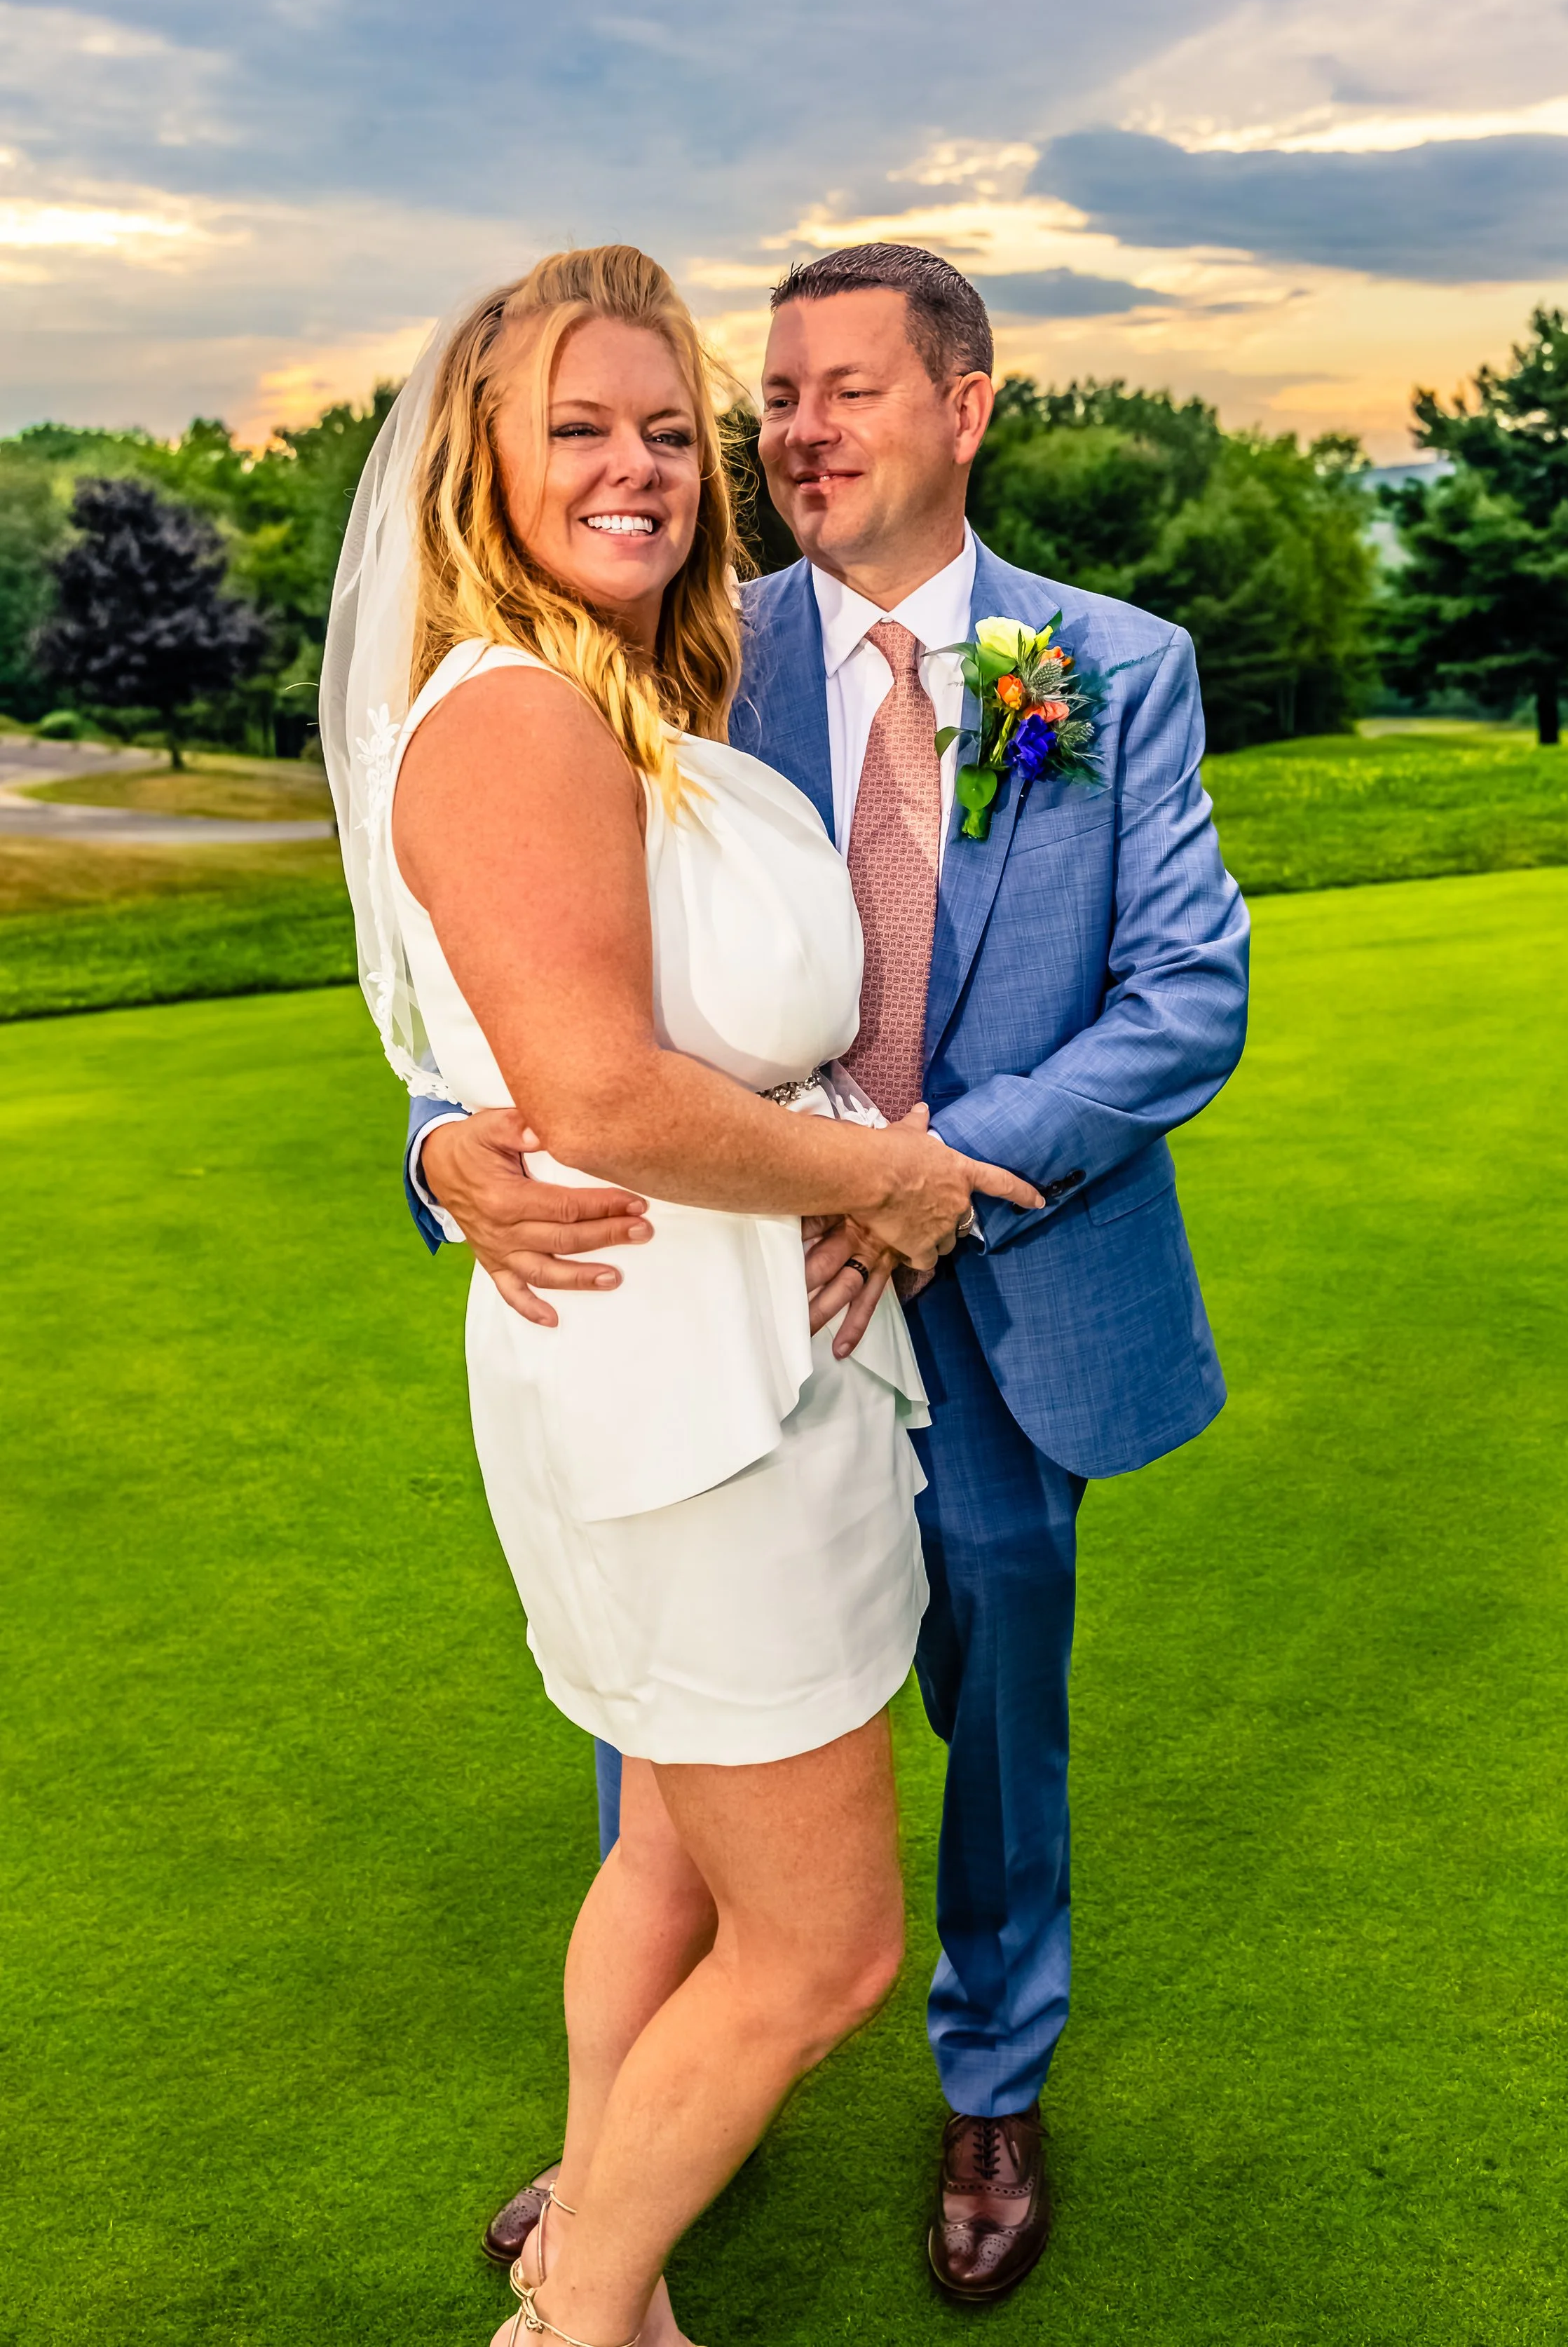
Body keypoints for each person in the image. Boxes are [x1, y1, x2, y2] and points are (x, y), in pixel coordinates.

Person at [414, 242, 1251, 2304]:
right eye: (771, 390)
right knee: (681, 1761)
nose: (787, 428)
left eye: (843, 387)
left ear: (967, 407)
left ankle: (990, 2074)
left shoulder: (1108, 664)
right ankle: (648, 2137)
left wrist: (932, 1180)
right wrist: (435, 1148)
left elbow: (1183, 995)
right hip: (720, 1326)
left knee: (1001, 1716)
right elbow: (516, 968)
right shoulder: (680, 630)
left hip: (1001, 1292)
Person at [321, 241, 1040, 2347]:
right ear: (483, 456)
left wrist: (494, 1126)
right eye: (579, 425)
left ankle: (606, 2299)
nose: (638, 464)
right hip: (684, 1389)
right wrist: (884, 1174)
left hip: (727, 1370)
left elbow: (557, 1053)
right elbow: (608, 1088)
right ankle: (574, 2314)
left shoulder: (627, 702)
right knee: (816, 1953)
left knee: (669, 1865)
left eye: (664, 426)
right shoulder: (522, 714)